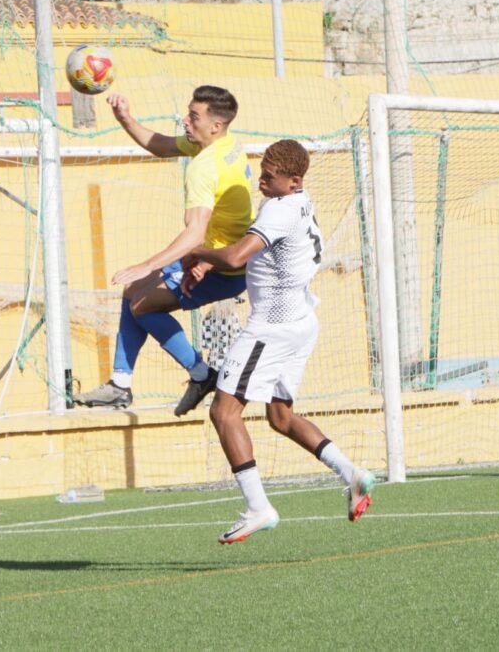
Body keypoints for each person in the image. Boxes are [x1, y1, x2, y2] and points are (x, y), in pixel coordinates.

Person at [182, 139, 375, 544]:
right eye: (262, 174)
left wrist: (196, 252)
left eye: (269, 177)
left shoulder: (280, 208)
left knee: (224, 413)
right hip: (301, 320)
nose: (261, 182)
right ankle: (352, 474)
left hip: (271, 328)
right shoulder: (299, 202)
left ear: (294, 180)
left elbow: (236, 257)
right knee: (280, 416)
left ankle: (258, 508)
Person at [73, 86, 253, 416]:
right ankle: (120, 384)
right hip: (216, 257)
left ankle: (201, 374)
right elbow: (162, 145)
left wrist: (148, 265)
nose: (185, 120)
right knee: (133, 291)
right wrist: (125, 119)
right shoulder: (225, 145)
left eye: (193, 116)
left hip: (223, 268)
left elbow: (195, 231)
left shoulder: (204, 167)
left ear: (215, 125)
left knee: (142, 305)